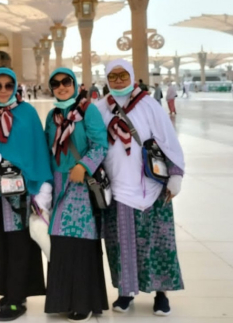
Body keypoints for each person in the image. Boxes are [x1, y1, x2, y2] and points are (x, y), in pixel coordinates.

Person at [96, 59, 185, 316]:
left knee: (158, 242)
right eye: (113, 76)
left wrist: (175, 174)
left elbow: (167, 139)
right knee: (121, 243)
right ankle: (125, 293)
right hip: (119, 188)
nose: (119, 80)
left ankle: (161, 294)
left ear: (132, 76)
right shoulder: (101, 108)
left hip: (152, 185)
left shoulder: (148, 104)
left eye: (123, 75)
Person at [0, 68, 52, 321]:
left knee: (18, 242)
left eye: (8, 86)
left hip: (21, 190)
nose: (3, 90)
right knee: (4, 241)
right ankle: (10, 291)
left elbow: (38, 148)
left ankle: (17, 301)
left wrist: (41, 185)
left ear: (15, 87)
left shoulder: (26, 113)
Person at [42, 68, 109, 322]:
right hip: (59, 185)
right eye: (56, 84)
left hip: (81, 183)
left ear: (74, 83)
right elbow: (48, 149)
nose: (61, 87)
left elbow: (100, 143)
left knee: (80, 241)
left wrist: (84, 165)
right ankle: (62, 299)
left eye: (66, 82)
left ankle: (83, 301)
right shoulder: (53, 115)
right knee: (60, 241)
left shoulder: (87, 110)